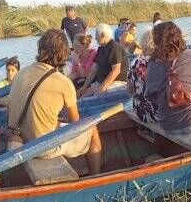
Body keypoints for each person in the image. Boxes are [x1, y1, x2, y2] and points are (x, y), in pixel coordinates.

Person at [7, 29, 103, 175]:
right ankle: (97, 177)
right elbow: (75, 124)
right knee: (92, 130)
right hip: (41, 148)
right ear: (64, 54)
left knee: (55, 124)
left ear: (40, 49)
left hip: (18, 138)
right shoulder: (63, 82)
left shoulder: (22, 72)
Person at [79, 23, 128, 98]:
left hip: (117, 81)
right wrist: (85, 86)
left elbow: (116, 70)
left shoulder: (114, 47)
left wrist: (102, 88)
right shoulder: (101, 48)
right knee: (82, 97)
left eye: (96, 35)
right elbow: (94, 69)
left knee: (95, 97)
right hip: (102, 81)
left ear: (102, 35)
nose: (95, 38)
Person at [127, 28, 159, 123]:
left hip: (141, 113)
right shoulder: (162, 62)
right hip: (159, 114)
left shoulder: (135, 62)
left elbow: (130, 89)